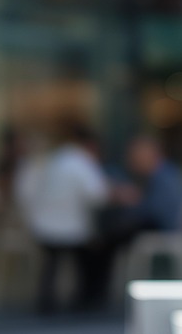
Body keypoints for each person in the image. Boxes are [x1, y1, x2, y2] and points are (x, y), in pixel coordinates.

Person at [14, 119, 110, 313]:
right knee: (90, 256)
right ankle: (84, 301)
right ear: (90, 144)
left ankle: (46, 303)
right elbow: (99, 195)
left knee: (51, 264)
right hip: (72, 230)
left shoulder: (48, 160)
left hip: (42, 227)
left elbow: (25, 193)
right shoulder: (80, 162)